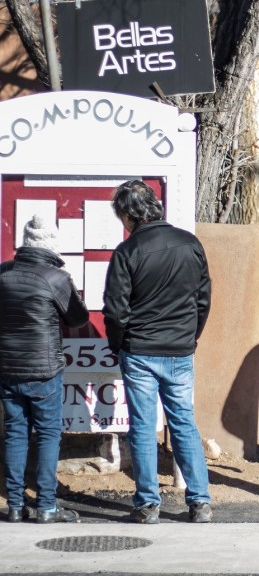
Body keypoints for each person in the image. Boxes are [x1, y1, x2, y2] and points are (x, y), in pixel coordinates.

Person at [102, 180, 212, 524]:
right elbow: (203, 300)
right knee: (184, 424)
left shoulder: (127, 252)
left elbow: (115, 310)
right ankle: (200, 502)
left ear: (127, 215)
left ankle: (148, 504)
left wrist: (118, 344)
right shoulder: (190, 243)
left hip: (139, 351)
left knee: (143, 426)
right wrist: (190, 337)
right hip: (180, 349)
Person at [0, 215, 89, 523]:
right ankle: (47, 506)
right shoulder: (56, 278)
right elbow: (78, 319)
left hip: (8, 368)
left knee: (15, 433)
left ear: (25, 243)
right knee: (49, 434)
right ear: (51, 244)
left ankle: (14, 505)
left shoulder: (2, 274)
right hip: (45, 370)